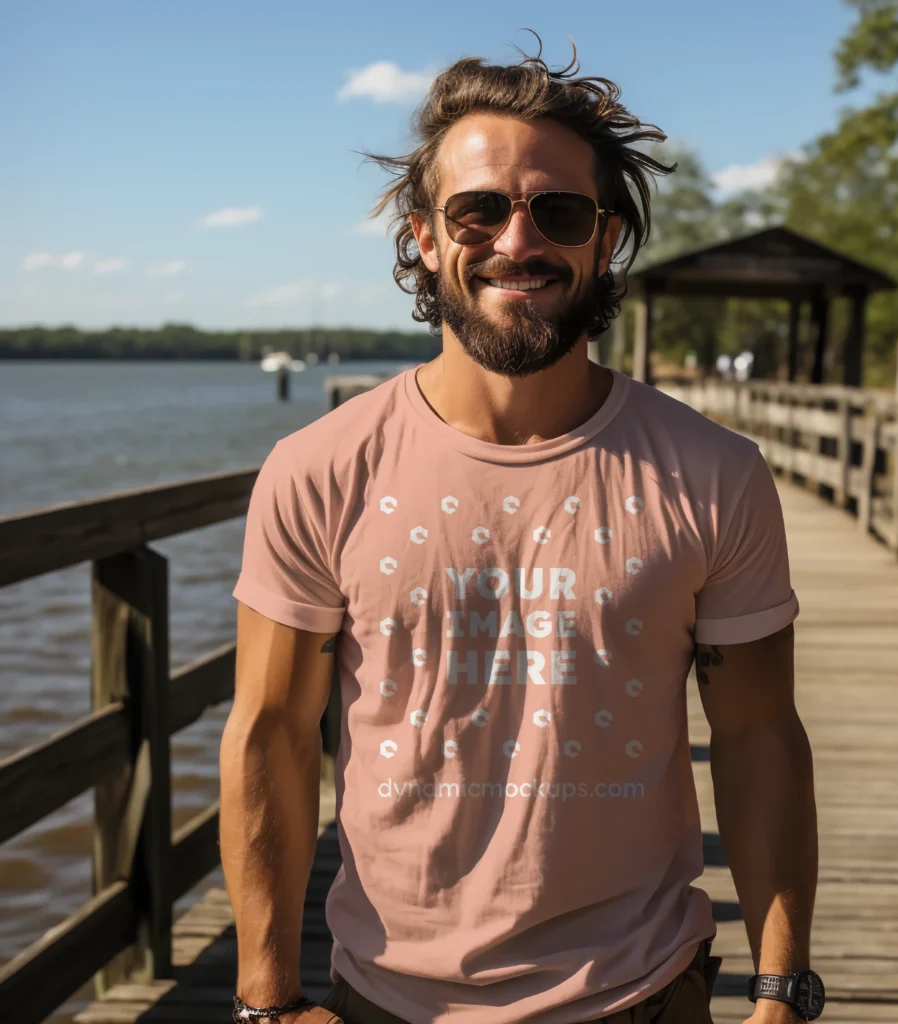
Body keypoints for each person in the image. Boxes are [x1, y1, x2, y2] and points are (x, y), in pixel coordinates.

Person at [222, 37, 820, 1024]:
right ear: (423, 234)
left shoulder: (715, 476)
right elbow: (270, 735)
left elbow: (758, 736)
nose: (517, 239)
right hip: (384, 996)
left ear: (605, 236)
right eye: (479, 209)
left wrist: (782, 988)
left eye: (558, 210)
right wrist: (265, 1000)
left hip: (638, 990)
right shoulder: (319, 470)